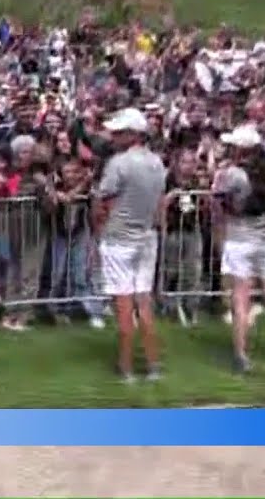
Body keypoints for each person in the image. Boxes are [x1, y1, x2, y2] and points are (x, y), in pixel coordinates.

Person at [213, 125, 265, 373]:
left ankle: (241, 354)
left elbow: (219, 202)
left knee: (240, 297)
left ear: (242, 149)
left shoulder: (234, 174)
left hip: (241, 240)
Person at [91, 107, 166, 382]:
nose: (114, 135)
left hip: (120, 239)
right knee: (143, 303)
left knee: (123, 305)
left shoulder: (119, 164)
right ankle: (153, 365)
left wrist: (98, 228)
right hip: (146, 238)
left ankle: (125, 367)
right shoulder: (158, 163)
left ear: (133, 134)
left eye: (119, 132)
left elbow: (103, 202)